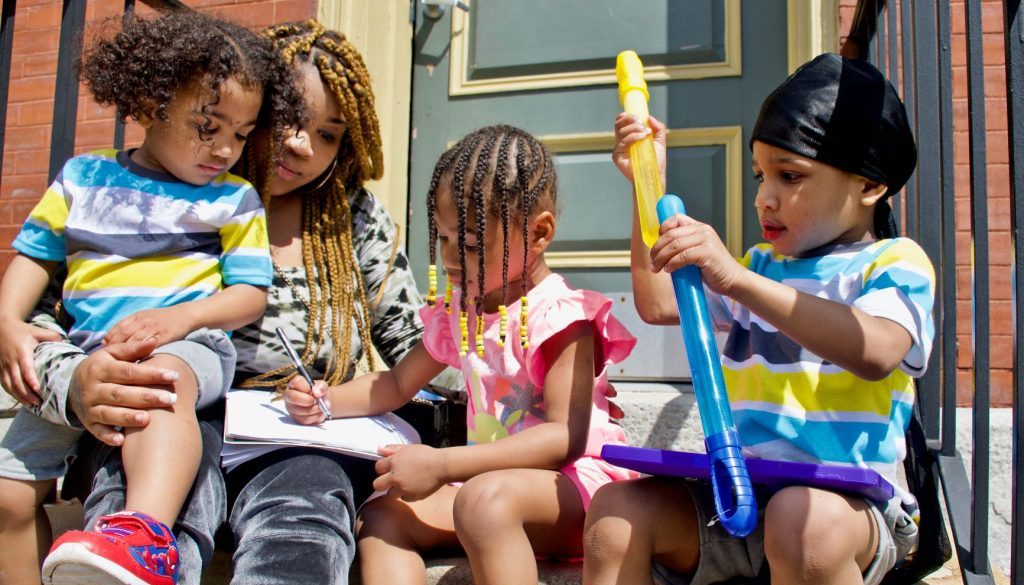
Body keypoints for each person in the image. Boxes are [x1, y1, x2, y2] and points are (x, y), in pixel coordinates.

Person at [0, 18, 423, 585]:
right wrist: (78, 386)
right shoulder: (130, 195)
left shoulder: (353, 219)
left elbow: (416, 345)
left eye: (328, 134)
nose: (301, 143)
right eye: (289, 119)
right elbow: (43, 321)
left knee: (301, 521)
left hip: (291, 437)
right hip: (152, 418)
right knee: (129, 500)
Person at [583, 53, 935, 585]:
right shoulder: (761, 267)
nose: (762, 198)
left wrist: (738, 281)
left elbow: (878, 350)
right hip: (742, 496)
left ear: (868, 185)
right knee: (616, 513)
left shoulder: (893, 263)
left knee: (802, 523)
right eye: (760, 174)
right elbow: (658, 303)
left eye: (789, 176)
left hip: (851, 509)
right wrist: (644, 186)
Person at [284, 124, 639, 585]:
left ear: (539, 233)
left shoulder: (562, 318)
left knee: (484, 503)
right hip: (490, 488)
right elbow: (394, 384)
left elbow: (563, 438)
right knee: (384, 514)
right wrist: (325, 400)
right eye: (444, 239)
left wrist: (441, 464)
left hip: (573, 491)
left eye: (470, 244)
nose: (451, 258)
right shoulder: (460, 311)